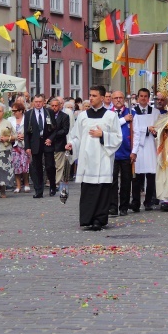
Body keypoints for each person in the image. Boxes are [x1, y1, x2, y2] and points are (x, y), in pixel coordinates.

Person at [65, 86, 122, 231]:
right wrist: (71, 144)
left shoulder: (111, 116)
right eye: (90, 95)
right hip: (87, 160)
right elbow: (76, 136)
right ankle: (87, 219)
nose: (91, 98)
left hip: (103, 159)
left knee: (102, 190)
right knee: (88, 190)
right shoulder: (83, 116)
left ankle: (99, 219)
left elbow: (117, 137)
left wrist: (102, 135)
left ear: (102, 98)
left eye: (94, 96)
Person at [130, 88, 160, 212]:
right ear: (137, 98)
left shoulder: (155, 112)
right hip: (137, 147)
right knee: (137, 177)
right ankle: (136, 202)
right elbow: (134, 131)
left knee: (151, 176)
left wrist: (154, 131)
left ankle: (148, 201)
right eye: (141, 96)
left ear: (149, 98)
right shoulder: (132, 112)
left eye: (145, 96)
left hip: (151, 146)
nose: (143, 98)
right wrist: (147, 129)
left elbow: (159, 128)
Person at [24, 94, 58, 198]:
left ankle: (52, 186)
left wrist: (51, 139)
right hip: (35, 143)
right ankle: (39, 190)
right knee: (37, 167)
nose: (38, 104)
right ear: (33, 103)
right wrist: (27, 147)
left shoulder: (49, 112)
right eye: (36, 102)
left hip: (47, 142)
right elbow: (26, 133)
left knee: (50, 166)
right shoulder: (29, 114)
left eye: (40, 102)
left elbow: (55, 128)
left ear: (44, 103)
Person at [108, 91, 133, 217]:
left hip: (126, 152)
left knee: (126, 181)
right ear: (111, 99)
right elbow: (110, 127)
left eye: (120, 98)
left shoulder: (130, 112)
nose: (118, 100)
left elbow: (136, 132)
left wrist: (134, 151)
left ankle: (124, 206)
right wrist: (124, 120)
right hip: (113, 152)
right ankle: (112, 206)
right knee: (112, 180)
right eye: (115, 98)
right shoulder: (108, 113)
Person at [8, 100, 30, 193]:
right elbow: (7, 132)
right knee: (16, 166)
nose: (14, 113)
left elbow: (30, 130)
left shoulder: (27, 119)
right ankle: (18, 185)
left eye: (15, 111)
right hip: (14, 145)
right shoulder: (10, 120)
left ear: (21, 111)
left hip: (24, 144)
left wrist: (24, 135)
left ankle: (26, 184)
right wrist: (14, 137)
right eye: (13, 111)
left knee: (25, 165)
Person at [49, 98, 70, 189]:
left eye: (56, 105)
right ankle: (50, 181)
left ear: (60, 106)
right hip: (48, 144)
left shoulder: (64, 116)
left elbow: (65, 130)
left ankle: (57, 183)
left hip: (59, 143)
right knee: (50, 165)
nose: (54, 107)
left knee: (59, 165)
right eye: (52, 106)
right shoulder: (48, 115)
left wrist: (53, 136)